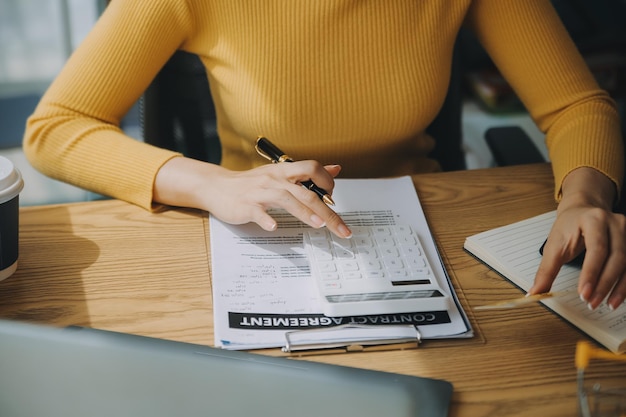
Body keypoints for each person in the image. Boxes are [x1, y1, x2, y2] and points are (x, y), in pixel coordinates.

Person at [24, 0, 625, 310]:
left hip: (435, 244)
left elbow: (577, 104)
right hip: (267, 242)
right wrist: (215, 184)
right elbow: (55, 128)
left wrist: (585, 196)